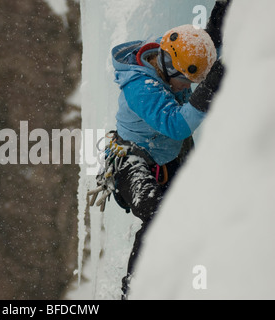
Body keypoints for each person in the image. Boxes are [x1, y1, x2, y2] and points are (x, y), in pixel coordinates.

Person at [88, 0, 231, 299]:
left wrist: (222, 9)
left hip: (169, 156)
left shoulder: (171, 57)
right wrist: (212, 85)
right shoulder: (140, 85)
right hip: (130, 162)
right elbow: (177, 125)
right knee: (158, 217)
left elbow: (206, 43)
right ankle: (133, 291)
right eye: (186, 82)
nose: (186, 87)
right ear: (168, 68)